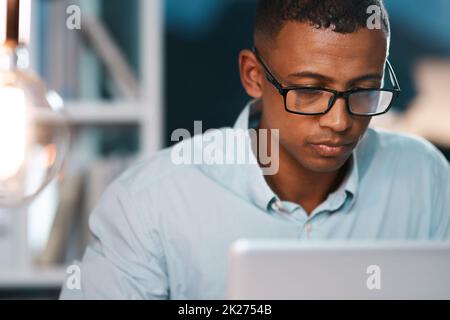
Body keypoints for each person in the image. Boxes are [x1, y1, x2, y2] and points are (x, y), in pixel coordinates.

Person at [60, 0, 450, 299]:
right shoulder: (151, 203)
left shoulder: (426, 180)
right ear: (253, 76)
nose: (339, 121)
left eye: (364, 90)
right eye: (310, 91)